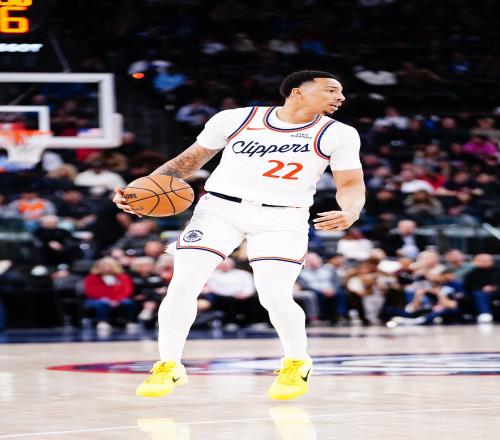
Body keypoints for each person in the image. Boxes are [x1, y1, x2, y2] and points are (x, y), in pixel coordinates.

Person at [113, 70, 365, 400]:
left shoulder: (339, 134)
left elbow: (350, 183)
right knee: (183, 284)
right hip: (219, 209)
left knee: (275, 296)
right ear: (297, 92)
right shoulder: (235, 119)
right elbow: (187, 162)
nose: (340, 97)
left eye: (340, 92)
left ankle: (297, 361)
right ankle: (168, 365)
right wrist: (139, 191)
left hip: (282, 216)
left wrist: (351, 211)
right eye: (331, 90)